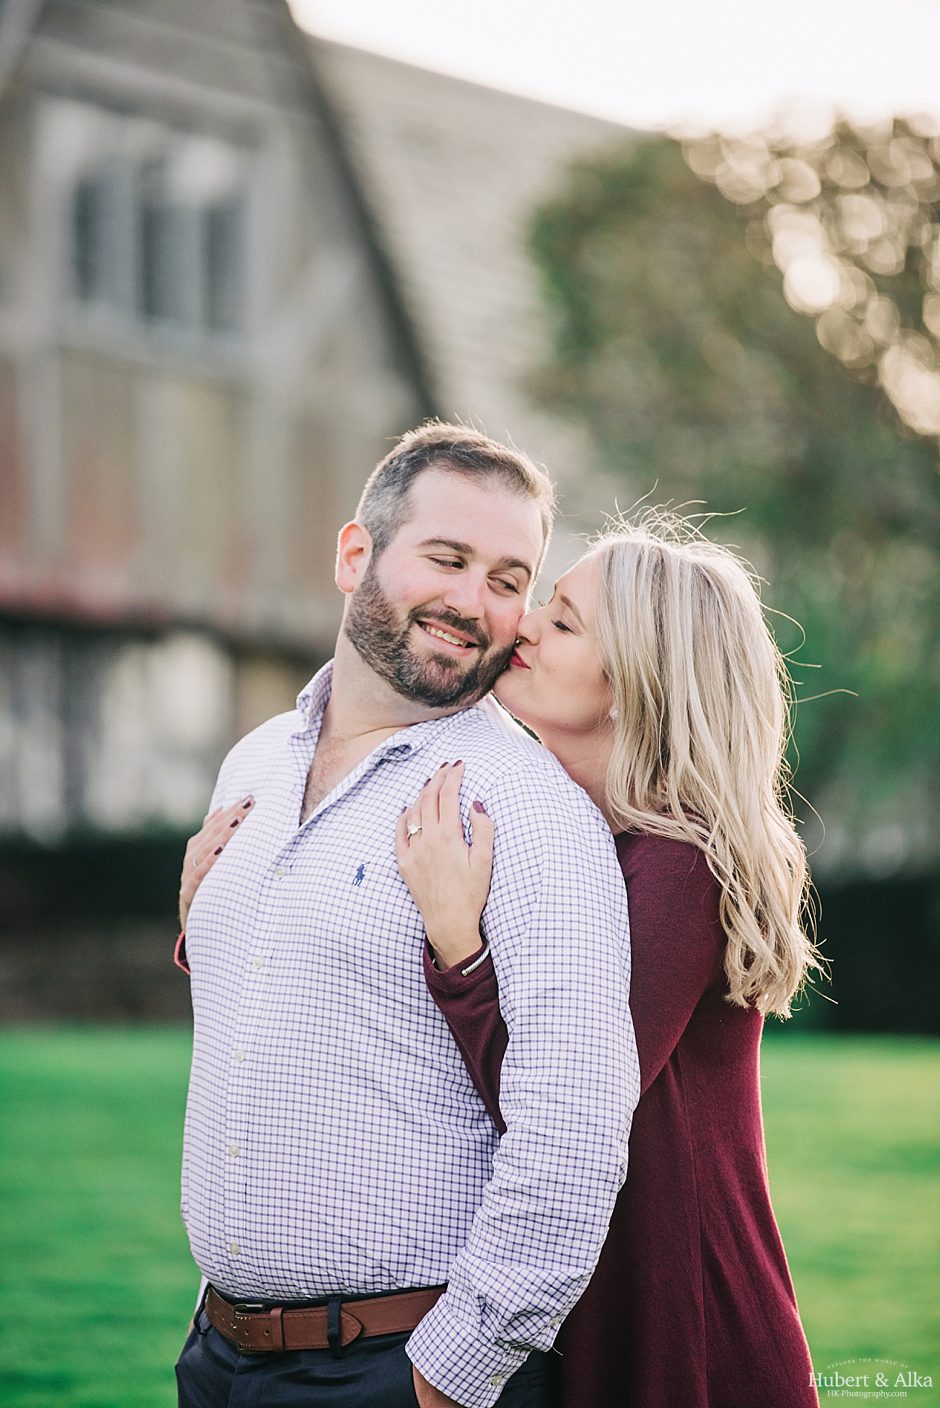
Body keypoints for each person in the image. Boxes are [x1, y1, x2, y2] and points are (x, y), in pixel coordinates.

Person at [173, 422, 640, 1408]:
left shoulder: (526, 809)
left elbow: (576, 1124)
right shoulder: (254, 763)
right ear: (356, 555)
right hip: (218, 1360)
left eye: (510, 579)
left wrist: (445, 1377)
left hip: (397, 1371)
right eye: (449, 558)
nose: (475, 602)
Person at [395, 511, 823, 1408]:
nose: (523, 629)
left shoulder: (680, 865)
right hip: (616, 1291)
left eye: (563, 621)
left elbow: (561, 1101)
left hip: (684, 1320)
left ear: (633, 682)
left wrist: (459, 946)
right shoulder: (581, 840)